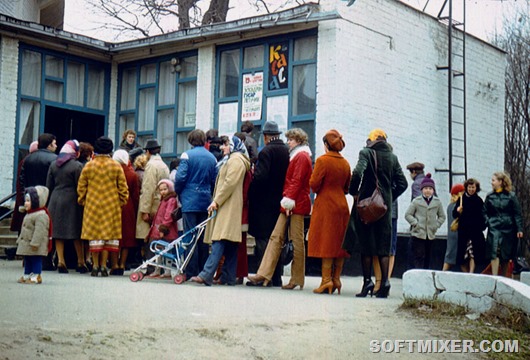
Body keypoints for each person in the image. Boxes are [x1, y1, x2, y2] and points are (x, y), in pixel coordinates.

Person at [343, 129, 408, 298]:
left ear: (371, 140)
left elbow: (357, 172)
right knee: (383, 246)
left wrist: (353, 191)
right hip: (384, 207)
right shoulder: (392, 157)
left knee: (366, 246)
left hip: (366, 204)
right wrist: (388, 195)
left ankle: (367, 283)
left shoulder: (366, 152)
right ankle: (385, 283)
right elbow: (403, 183)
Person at [247, 128, 313, 289]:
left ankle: (296, 278)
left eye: (290, 139)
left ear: (298, 141)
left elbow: (296, 181)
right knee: (276, 238)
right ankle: (264, 274)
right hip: (290, 203)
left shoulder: (301, 157)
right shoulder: (297, 156)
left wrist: (289, 201)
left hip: (294, 204)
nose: (288, 142)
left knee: (296, 241)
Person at [191, 136, 251, 286]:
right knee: (229, 242)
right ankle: (228, 277)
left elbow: (229, 183)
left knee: (220, 238)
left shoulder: (236, 160)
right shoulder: (234, 159)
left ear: (233, 146)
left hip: (227, 205)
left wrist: (216, 201)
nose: (222, 148)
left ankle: (206, 274)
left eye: (225, 145)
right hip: (228, 204)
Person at [77, 136, 129, 277]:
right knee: (106, 236)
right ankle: (103, 266)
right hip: (111, 205)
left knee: (95, 236)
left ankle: (94, 266)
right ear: (110, 149)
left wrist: (83, 201)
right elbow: (123, 189)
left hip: (92, 204)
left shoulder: (89, 166)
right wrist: (121, 202)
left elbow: (81, 187)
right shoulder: (116, 166)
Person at [307, 130, 350, 294]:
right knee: (339, 242)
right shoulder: (345, 163)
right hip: (342, 205)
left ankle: (326, 281)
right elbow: (347, 187)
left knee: (326, 241)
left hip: (326, 205)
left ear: (326, 144)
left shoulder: (322, 161)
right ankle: (336, 279)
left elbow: (314, 184)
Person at [247, 120, 290, 287]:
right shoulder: (286, 151)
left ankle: (264, 276)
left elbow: (261, 177)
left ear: (265, 137)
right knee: (277, 240)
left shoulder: (266, 152)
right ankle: (277, 277)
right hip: (279, 202)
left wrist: (251, 188)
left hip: (263, 204)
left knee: (263, 240)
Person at [174, 130, 217, 280]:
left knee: (189, 235)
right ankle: (202, 270)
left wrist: (179, 192)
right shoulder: (212, 157)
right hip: (205, 200)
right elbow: (214, 180)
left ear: (191, 140)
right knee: (203, 237)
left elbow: (180, 178)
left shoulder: (186, 155)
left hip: (189, 199)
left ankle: (190, 270)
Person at [46, 140, 86, 273]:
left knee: (58, 232)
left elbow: (48, 185)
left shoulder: (53, 164)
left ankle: (61, 261)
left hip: (55, 199)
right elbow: (79, 186)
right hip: (72, 200)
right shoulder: (77, 166)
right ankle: (81, 261)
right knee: (75, 231)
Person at [19, 133, 58, 270]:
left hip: (30, 197)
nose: (56, 146)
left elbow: (22, 179)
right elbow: (54, 180)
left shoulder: (27, 159)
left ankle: (27, 259)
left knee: (29, 229)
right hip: (46, 197)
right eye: (54, 143)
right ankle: (46, 261)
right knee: (45, 230)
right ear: (49, 145)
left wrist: (26, 196)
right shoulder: (54, 159)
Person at [483, 172, 523, 276]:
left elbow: (517, 213)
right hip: (494, 227)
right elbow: (484, 212)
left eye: (493, 180)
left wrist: (519, 229)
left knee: (506, 254)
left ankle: (505, 278)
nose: (492, 183)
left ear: (500, 182)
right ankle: (495, 277)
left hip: (508, 228)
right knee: (494, 252)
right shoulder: (490, 196)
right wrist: (488, 221)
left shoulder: (511, 196)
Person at [404, 174, 446, 270]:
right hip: (418, 234)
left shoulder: (437, 202)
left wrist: (436, 225)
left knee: (428, 258)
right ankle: (418, 276)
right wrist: (416, 223)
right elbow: (408, 215)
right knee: (419, 257)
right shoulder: (416, 201)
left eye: (430, 189)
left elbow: (442, 216)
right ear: (422, 189)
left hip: (430, 235)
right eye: (426, 188)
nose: (428, 190)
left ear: (433, 190)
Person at [136, 139, 170, 248]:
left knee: (148, 237)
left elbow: (147, 189)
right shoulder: (164, 165)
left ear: (147, 152)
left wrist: (144, 210)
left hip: (151, 205)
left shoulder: (151, 165)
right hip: (161, 204)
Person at [111, 149, 140, 275]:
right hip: (128, 206)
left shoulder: (111, 171)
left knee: (113, 236)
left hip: (112, 204)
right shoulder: (132, 174)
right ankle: (122, 264)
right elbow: (135, 195)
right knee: (127, 237)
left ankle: (114, 264)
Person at [16, 186, 51, 284]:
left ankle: (37, 275)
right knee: (27, 259)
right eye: (25, 200)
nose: (25, 203)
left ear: (36, 201)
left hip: (34, 244)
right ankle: (27, 274)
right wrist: (20, 240)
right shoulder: (30, 214)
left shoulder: (41, 215)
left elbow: (40, 231)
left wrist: (35, 243)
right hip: (27, 242)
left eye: (28, 200)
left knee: (36, 259)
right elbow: (24, 229)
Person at [146, 179, 179, 278]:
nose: (163, 191)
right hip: (159, 229)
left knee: (166, 250)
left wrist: (163, 228)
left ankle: (167, 271)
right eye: (161, 190)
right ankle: (158, 269)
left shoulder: (170, 200)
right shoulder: (164, 200)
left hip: (166, 231)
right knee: (159, 250)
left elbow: (168, 215)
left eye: (165, 189)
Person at [453, 178, 487, 273]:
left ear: (476, 188)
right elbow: (454, 215)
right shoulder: (461, 199)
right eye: (469, 187)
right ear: (466, 187)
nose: (471, 189)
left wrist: (482, 227)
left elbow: (483, 215)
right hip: (463, 232)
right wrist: (458, 211)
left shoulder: (479, 201)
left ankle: (471, 273)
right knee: (462, 256)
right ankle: (466, 274)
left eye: (473, 187)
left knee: (473, 254)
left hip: (475, 232)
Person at [11, 140, 38, 234]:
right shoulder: (27, 162)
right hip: (26, 199)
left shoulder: (25, 161)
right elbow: (20, 182)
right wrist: (21, 202)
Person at [443, 183, 465, 271]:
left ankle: (442, 274)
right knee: (460, 259)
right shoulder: (457, 207)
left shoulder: (450, 206)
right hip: (457, 236)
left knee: (449, 258)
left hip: (451, 236)